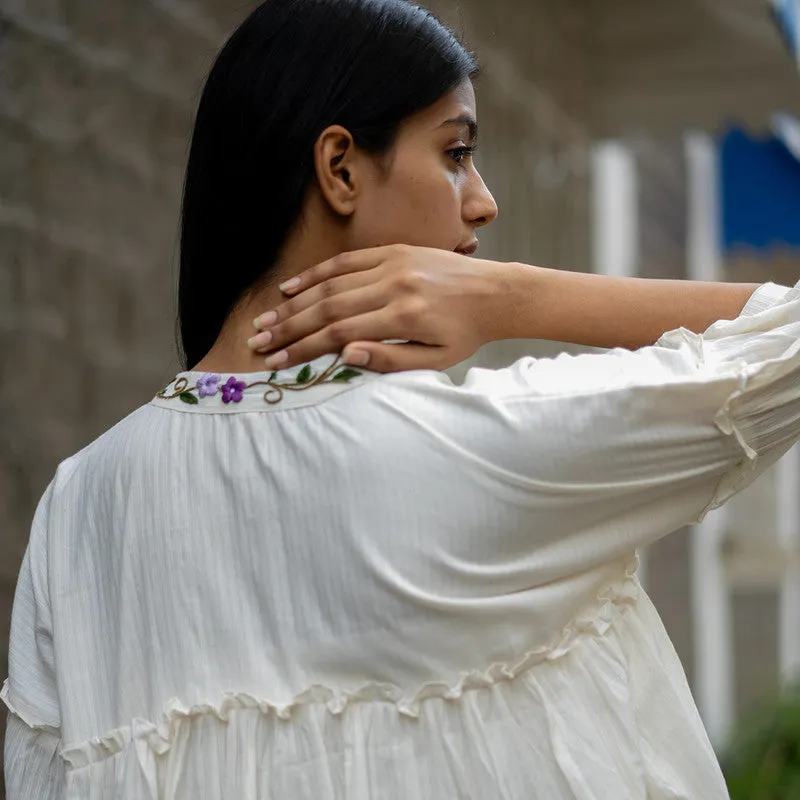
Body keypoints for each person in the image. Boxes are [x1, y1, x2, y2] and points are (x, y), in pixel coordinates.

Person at [4, 0, 800, 797]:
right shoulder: (478, 447)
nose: (482, 201)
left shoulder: (81, 504)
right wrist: (512, 298)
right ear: (341, 168)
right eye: (456, 152)